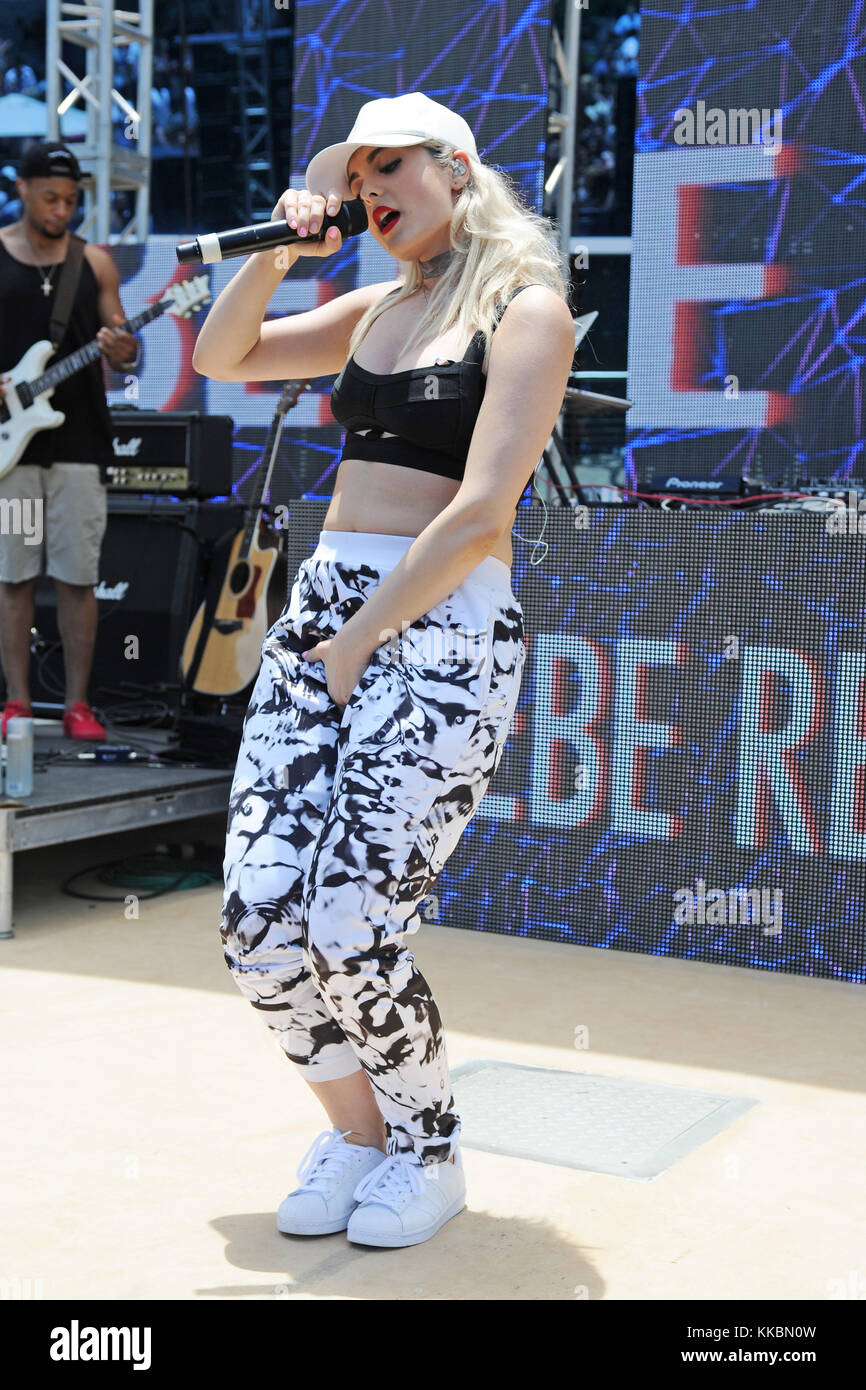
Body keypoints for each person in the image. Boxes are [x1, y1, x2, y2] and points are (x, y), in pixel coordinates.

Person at [193, 91, 575, 1249]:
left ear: (455, 170)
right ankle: (359, 1136)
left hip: (439, 625)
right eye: (358, 179)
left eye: (391, 168)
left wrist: (358, 643)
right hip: (328, 613)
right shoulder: (374, 308)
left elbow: (478, 512)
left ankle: (428, 1148)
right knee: (259, 918)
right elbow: (223, 354)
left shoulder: (525, 309)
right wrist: (278, 242)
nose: (371, 192)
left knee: (351, 920)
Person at [0, 142, 140, 740]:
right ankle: (19, 703)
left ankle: (78, 705)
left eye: (72, 200)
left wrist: (124, 349)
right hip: (16, 453)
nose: (62, 209)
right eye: (51, 197)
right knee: (17, 575)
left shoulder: (95, 263)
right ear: (24, 189)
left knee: (78, 577)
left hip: (79, 446)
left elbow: (128, 352)